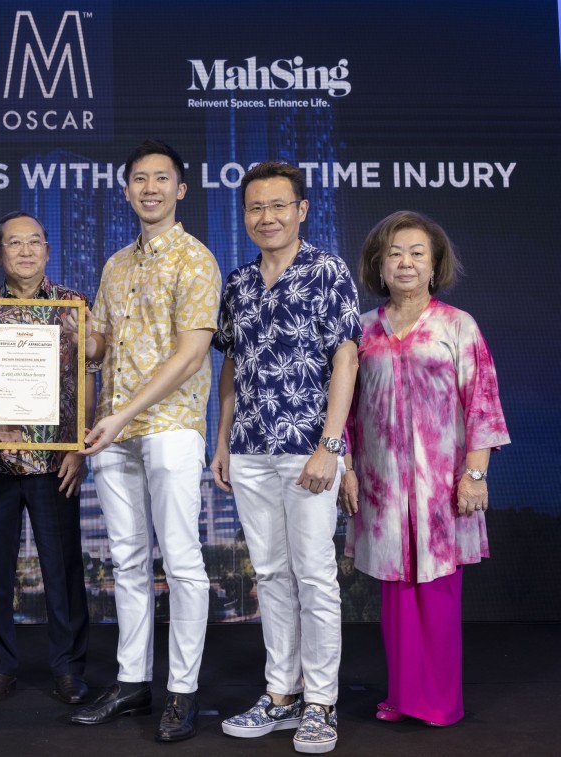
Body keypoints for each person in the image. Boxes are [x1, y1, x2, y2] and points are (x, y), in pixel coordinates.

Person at [68, 140, 221, 743]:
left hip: (169, 427)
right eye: (139, 179)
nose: (149, 188)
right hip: (113, 429)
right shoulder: (115, 266)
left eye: (161, 178)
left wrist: (122, 414)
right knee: (126, 560)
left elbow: (190, 356)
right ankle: (133, 681)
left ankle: (184, 690)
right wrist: (64, 332)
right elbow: (99, 346)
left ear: (180, 189)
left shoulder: (196, 260)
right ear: (126, 189)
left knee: (181, 560)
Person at [210, 162, 359, 754]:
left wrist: (330, 445)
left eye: (278, 205)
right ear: (245, 215)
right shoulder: (239, 283)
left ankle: (321, 704)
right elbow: (230, 364)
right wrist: (222, 440)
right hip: (249, 449)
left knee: (315, 575)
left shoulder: (327, 270)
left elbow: (346, 359)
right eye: (255, 207)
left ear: (301, 210)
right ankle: (281, 694)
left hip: (308, 450)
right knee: (270, 575)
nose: (266, 217)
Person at [339, 211, 510, 727]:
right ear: (379, 265)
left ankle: (438, 705)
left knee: (436, 592)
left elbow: (482, 404)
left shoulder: (458, 325)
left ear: (435, 265)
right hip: (382, 488)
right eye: (394, 254)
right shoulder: (361, 330)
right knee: (395, 595)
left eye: (417, 253)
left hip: (441, 490)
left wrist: (475, 475)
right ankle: (402, 696)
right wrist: (347, 469)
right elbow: (344, 410)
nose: (405, 263)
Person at [0, 211, 94, 707]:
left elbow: (87, 377)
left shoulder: (73, 307)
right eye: (14, 243)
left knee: (63, 571)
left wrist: (79, 445)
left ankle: (69, 669)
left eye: (34, 242)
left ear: (47, 250)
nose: (25, 251)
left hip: (55, 461)